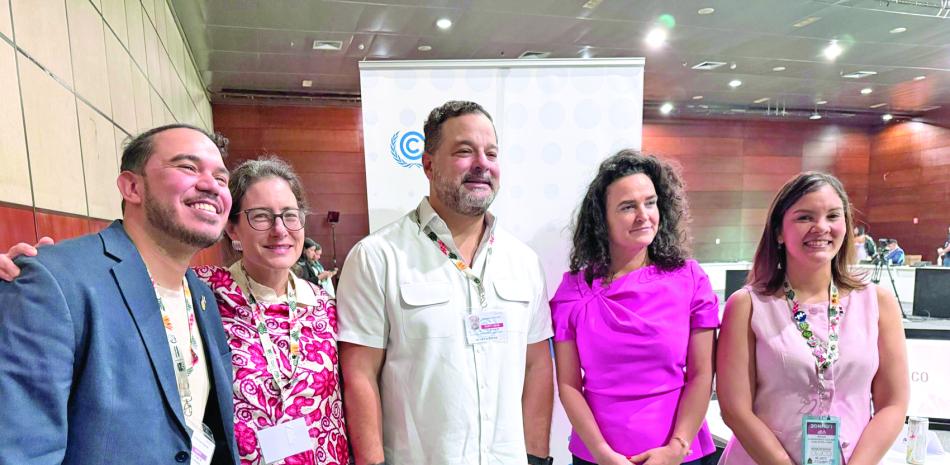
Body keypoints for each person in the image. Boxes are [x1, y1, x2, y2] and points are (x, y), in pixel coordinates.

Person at [0, 157, 349, 465]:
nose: (280, 230)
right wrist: (38, 271)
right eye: (261, 216)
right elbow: (99, 284)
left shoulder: (328, 305)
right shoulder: (199, 291)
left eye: (290, 216)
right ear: (232, 228)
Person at [0, 124, 240, 464]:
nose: (211, 185)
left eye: (220, 178)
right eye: (188, 167)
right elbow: (21, 451)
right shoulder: (56, 280)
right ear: (132, 187)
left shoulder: (201, 296)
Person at [335, 100, 555, 465]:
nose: (482, 164)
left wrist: (536, 457)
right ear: (428, 164)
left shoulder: (524, 261)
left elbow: (537, 367)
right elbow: (360, 374)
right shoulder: (378, 256)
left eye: (491, 153)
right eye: (464, 151)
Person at [717, 172, 909, 465]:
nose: (821, 227)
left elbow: (893, 403)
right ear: (779, 232)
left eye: (833, 216)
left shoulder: (878, 303)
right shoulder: (748, 306)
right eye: (805, 217)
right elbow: (735, 409)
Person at [551, 151, 718, 465]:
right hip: (598, 457)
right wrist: (602, 454)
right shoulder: (574, 291)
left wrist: (676, 448)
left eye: (650, 203)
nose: (644, 215)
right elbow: (569, 385)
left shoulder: (691, 279)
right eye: (628, 207)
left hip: (678, 455)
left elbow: (701, 375)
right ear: (602, 219)